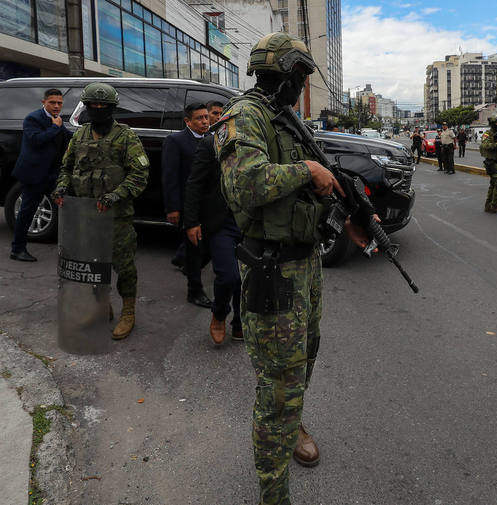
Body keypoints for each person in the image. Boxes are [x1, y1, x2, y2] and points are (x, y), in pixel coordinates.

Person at [213, 32, 373, 505]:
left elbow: (318, 188)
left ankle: (295, 419)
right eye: (300, 77)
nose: (302, 86)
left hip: (304, 265)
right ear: (285, 75)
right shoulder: (245, 116)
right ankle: (273, 492)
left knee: (305, 357)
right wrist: (308, 171)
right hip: (271, 271)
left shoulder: (286, 119)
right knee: (278, 387)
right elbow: (246, 184)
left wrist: (353, 215)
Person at [52, 82, 149, 339]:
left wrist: (116, 195)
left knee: (124, 266)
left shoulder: (125, 136)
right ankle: (100, 307)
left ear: (112, 108)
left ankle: (128, 312)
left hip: (116, 216)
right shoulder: (79, 136)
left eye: (103, 106)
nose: (97, 109)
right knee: (93, 264)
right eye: (92, 105)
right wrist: (61, 188)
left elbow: (140, 174)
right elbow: (66, 168)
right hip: (85, 214)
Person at [184, 132, 242, 346]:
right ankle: (219, 314)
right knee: (229, 275)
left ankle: (240, 322)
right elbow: (194, 183)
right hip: (221, 222)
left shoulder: (262, 138)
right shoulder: (211, 144)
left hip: (250, 220)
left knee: (248, 277)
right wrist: (191, 222)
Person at [10, 89, 73, 262]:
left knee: (68, 205)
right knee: (27, 212)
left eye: (59, 103)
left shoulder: (58, 121)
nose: (56, 106)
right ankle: (17, 250)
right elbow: (36, 140)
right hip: (33, 174)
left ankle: (73, 248)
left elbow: (69, 137)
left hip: (52, 175)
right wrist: (55, 127)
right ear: (43, 102)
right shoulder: (33, 118)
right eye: (52, 102)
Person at [162, 103, 212, 308]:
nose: (204, 122)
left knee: (208, 246)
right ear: (187, 121)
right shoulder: (176, 141)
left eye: (206, 117)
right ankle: (195, 290)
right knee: (194, 249)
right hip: (188, 206)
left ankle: (184, 262)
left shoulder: (213, 139)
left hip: (210, 205)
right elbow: (170, 176)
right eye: (199, 118)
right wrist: (173, 207)